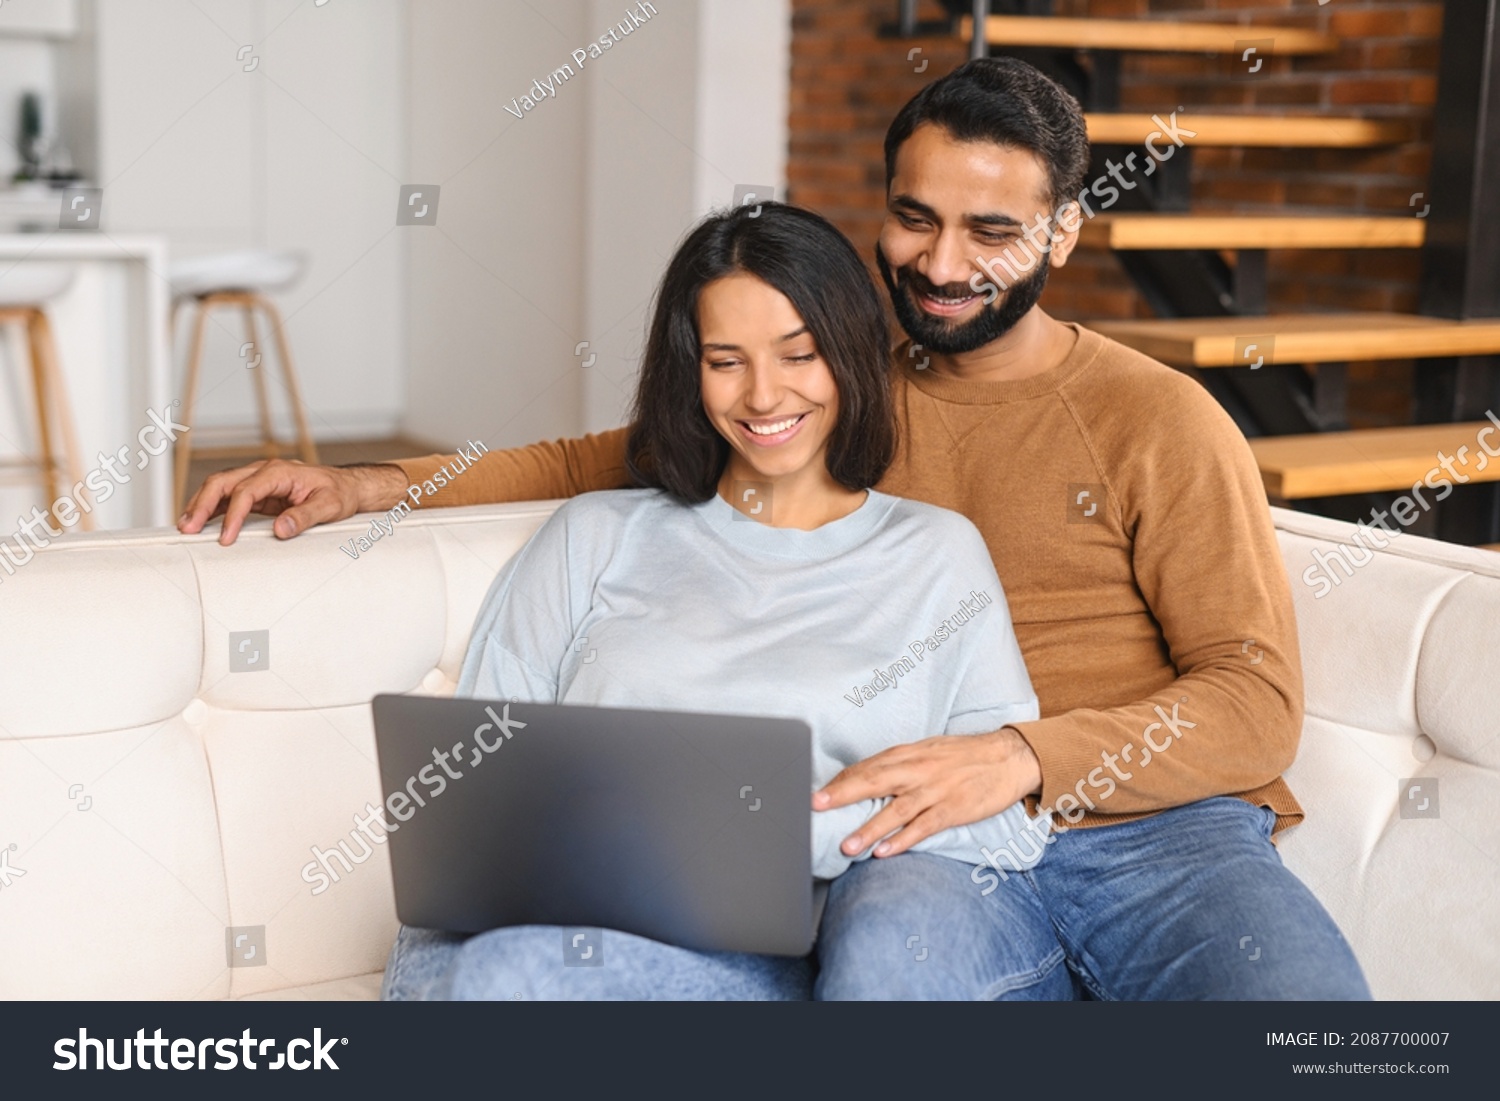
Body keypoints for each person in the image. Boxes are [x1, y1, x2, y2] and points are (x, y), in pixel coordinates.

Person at [181, 57, 1370, 1000]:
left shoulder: (1160, 419)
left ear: (1064, 232)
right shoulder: (827, 388)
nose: (941, 262)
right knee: (892, 955)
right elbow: (599, 461)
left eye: (993, 233)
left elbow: (1255, 696)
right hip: (913, 845)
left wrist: (1020, 756)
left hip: (1145, 833)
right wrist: (379, 484)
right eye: (914, 218)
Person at [383, 201, 1048, 1000]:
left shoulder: (937, 555)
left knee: (510, 977)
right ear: (689, 371)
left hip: (781, 957)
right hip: (568, 928)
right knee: (497, 971)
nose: (764, 397)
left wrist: (794, 836)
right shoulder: (594, 535)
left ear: (853, 355)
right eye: (725, 361)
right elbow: (474, 792)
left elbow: (1006, 820)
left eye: (799, 355)